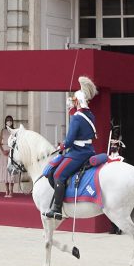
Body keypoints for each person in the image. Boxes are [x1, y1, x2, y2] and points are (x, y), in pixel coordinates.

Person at [46, 78, 101, 220]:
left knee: (58, 174)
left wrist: (61, 146)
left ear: (77, 101)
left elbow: (70, 141)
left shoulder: (77, 118)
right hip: (89, 150)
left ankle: (57, 209)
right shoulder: (90, 115)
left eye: (73, 101)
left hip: (78, 153)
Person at [1, 115, 20, 197]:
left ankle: (11, 190)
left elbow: (17, 142)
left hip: (11, 152)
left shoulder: (15, 131)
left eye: (10, 120)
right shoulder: (3, 130)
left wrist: (10, 150)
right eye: (7, 120)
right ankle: (6, 190)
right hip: (4, 153)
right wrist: (3, 151)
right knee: (5, 172)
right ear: (5, 122)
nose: (9, 121)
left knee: (11, 171)